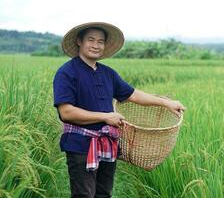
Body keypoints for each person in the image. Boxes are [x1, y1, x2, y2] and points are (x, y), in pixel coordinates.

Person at [53, 22, 186, 198]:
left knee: (103, 193)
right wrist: (106, 117)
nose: (95, 45)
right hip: (80, 146)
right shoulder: (67, 72)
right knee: (84, 195)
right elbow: (66, 112)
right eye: (91, 40)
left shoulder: (108, 73)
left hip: (108, 143)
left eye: (100, 41)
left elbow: (133, 94)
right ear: (79, 41)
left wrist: (166, 103)